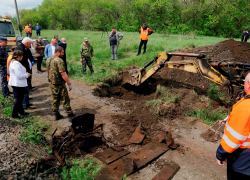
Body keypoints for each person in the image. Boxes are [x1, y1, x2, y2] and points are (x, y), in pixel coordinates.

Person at [216, 73, 250, 180]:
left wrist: (221, 154)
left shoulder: (245, 107)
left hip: (243, 162)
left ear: (248, 83)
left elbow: (234, 137)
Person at [46, 46, 74, 120]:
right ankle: (70, 114)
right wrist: (69, 84)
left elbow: (48, 71)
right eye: (62, 52)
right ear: (58, 52)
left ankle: (56, 114)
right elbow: (63, 73)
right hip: (59, 84)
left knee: (54, 98)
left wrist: (50, 80)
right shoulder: (59, 61)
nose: (63, 54)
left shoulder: (48, 59)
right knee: (65, 98)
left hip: (52, 83)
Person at [8, 50, 31, 119]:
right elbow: (19, 76)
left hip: (17, 83)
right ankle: (14, 114)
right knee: (18, 99)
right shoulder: (16, 64)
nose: (22, 57)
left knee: (20, 99)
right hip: (18, 84)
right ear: (18, 56)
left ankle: (21, 112)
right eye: (22, 55)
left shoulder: (13, 62)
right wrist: (27, 75)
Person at [15, 37, 35, 109]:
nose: (30, 46)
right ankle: (25, 105)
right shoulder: (20, 48)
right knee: (24, 90)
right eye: (30, 44)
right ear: (27, 43)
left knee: (26, 89)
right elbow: (20, 61)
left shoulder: (24, 48)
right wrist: (25, 72)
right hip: (23, 72)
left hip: (26, 71)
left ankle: (26, 102)